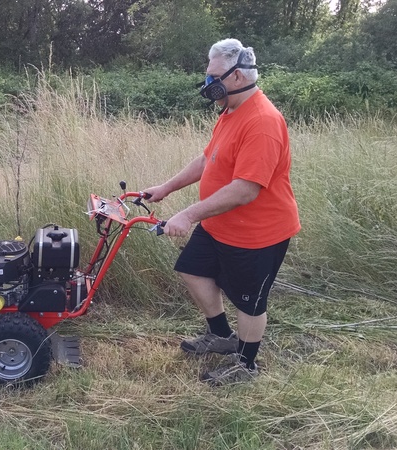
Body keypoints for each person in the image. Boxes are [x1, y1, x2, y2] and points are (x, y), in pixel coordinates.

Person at [144, 38, 300, 386]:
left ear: (239, 78)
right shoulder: (231, 111)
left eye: (215, 76)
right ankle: (223, 337)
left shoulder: (263, 121)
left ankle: (245, 366)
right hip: (220, 225)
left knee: (250, 303)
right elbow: (207, 159)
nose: (208, 84)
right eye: (208, 75)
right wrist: (167, 187)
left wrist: (187, 214)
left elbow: (246, 189)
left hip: (257, 233)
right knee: (191, 271)